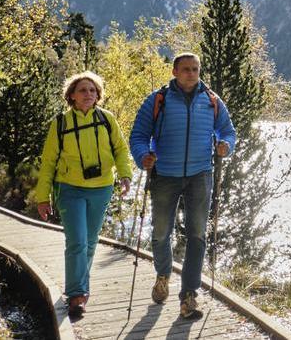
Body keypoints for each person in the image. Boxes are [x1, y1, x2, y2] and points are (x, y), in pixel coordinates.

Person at [129, 52, 236, 320]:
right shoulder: (158, 100)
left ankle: (189, 295)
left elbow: (228, 131)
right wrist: (143, 156)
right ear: (175, 72)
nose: (191, 73)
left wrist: (226, 145)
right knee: (160, 233)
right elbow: (138, 135)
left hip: (200, 175)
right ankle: (163, 275)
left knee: (197, 235)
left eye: (195, 69)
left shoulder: (211, 100)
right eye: (186, 69)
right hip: (165, 174)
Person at [33, 71, 132, 319]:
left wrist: (125, 175)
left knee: (90, 241)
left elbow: (121, 150)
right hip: (69, 188)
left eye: (92, 90)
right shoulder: (60, 123)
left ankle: (80, 287)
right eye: (82, 90)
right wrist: (43, 197)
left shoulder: (107, 119)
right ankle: (76, 295)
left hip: (102, 188)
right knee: (77, 241)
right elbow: (48, 162)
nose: (88, 94)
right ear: (72, 96)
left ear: (98, 95)